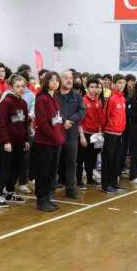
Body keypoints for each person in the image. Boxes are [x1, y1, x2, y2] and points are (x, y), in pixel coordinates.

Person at [0, 74, 30, 208]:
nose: (20, 89)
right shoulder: (6, 102)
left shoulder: (24, 103)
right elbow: (1, 123)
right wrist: (6, 140)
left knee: (16, 167)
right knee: (5, 168)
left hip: (20, 141)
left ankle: (9, 191)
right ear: (11, 87)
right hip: (8, 142)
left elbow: (25, 123)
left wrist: (26, 139)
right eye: (17, 86)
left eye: (22, 86)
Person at [33, 71, 64, 212]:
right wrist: (55, 136)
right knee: (43, 172)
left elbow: (57, 120)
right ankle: (41, 200)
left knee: (51, 172)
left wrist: (60, 136)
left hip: (54, 142)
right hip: (44, 142)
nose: (55, 83)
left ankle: (46, 198)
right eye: (52, 80)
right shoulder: (42, 99)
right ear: (46, 82)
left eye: (57, 80)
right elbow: (43, 123)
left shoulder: (54, 98)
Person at [57, 71, 86, 199]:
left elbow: (82, 111)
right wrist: (64, 121)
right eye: (66, 78)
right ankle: (52, 188)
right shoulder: (54, 96)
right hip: (56, 133)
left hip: (71, 135)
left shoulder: (77, 96)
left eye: (71, 78)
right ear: (60, 80)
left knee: (71, 162)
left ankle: (70, 189)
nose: (69, 80)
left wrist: (71, 120)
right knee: (55, 163)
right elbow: (53, 111)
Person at [101, 74, 126, 194]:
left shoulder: (122, 98)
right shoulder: (112, 98)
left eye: (123, 83)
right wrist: (104, 129)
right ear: (114, 84)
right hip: (110, 133)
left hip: (119, 133)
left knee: (116, 159)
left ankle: (114, 183)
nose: (122, 85)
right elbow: (105, 115)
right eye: (119, 83)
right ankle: (105, 185)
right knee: (108, 159)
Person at [77, 77, 103, 187]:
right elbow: (79, 121)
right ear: (87, 88)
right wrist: (82, 136)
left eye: (95, 87)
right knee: (81, 158)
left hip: (95, 134)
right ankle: (78, 180)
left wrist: (100, 133)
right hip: (85, 133)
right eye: (91, 87)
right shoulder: (83, 101)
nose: (93, 89)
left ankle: (89, 178)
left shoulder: (98, 101)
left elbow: (100, 118)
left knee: (92, 158)